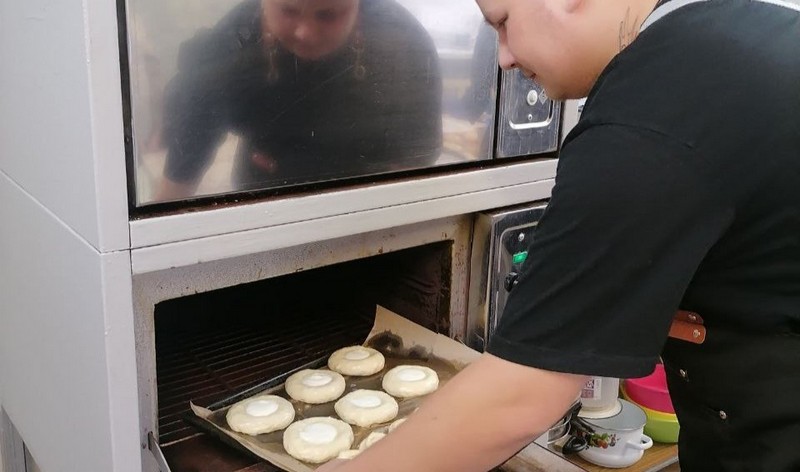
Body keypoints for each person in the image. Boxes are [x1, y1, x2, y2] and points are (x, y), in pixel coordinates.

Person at [318, 0, 800, 470]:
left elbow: (521, 395)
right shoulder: (741, 34)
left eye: (503, 23)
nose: (503, 58)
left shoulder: (653, 110)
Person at [157, 0, 442, 201]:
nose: (306, 32)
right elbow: (180, 176)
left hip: (365, 201)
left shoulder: (403, 44)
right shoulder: (227, 47)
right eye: (288, 10)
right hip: (262, 197)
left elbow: (411, 175)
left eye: (327, 15)